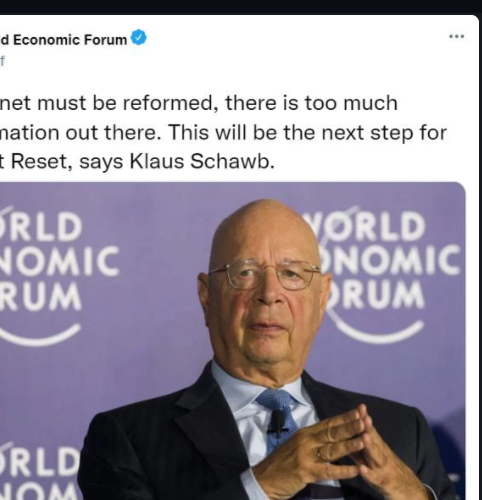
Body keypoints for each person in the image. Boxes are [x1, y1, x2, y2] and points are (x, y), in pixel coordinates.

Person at [79, 199, 457, 500]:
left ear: (322, 297)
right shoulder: (128, 439)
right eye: (245, 272)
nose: (270, 294)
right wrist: (261, 486)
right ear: (207, 296)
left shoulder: (400, 431)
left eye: (291, 274)